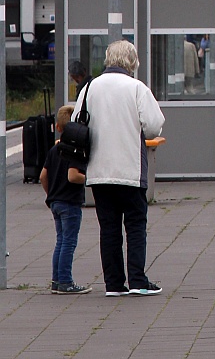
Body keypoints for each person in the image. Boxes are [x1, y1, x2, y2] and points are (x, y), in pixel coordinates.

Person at [74, 40, 165, 297]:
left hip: (99, 171)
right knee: (135, 224)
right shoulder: (136, 88)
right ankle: (138, 279)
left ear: (107, 59)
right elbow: (153, 126)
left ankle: (114, 284)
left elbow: (75, 121)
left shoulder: (89, 88)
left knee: (109, 227)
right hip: (130, 171)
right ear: (132, 61)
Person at [41, 103, 89, 294]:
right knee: (69, 242)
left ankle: (56, 280)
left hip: (55, 201)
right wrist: (90, 178)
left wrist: (50, 194)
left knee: (60, 241)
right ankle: (66, 282)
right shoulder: (74, 150)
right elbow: (72, 176)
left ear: (58, 128)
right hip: (70, 202)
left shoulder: (55, 149)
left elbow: (43, 176)